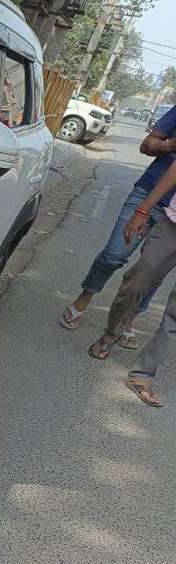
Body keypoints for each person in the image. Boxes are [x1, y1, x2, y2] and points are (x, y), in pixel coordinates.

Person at [60, 103, 176, 347]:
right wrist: (171, 145)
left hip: (173, 218)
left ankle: (129, 318)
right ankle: (86, 294)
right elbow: (147, 145)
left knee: (153, 270)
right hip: (148, 195)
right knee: (114, 255)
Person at [88, 160, 176, 407]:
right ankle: (111, 333)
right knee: (136, 285)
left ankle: (142, 374)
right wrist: (143, 209)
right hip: (172, 226)